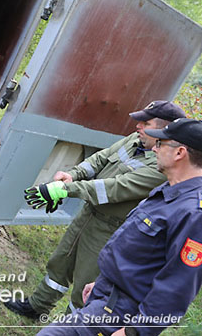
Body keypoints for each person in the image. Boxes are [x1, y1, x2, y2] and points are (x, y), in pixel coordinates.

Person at [5, 101, 186, 318]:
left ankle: (71, 327)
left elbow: (113, 188)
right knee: (61, 261)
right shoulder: (135, 140)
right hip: (89, 214)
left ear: (162, 131)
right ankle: (37, 306)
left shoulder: (159, 168)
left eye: (145, 122)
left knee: (86, 283)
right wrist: (73, 174)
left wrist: (64, 189)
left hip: (108, 229)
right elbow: (99, 159)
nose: (138, 125)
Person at [38, 117, 202, 336]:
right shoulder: (169, 190)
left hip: (120, 314)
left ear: (180, 153)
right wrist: (103, 281)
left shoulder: (193, 213)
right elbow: (141, 255)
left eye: (161, 144)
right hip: (107, 296)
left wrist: (134, 331)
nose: (155, 148)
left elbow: (176, 287)